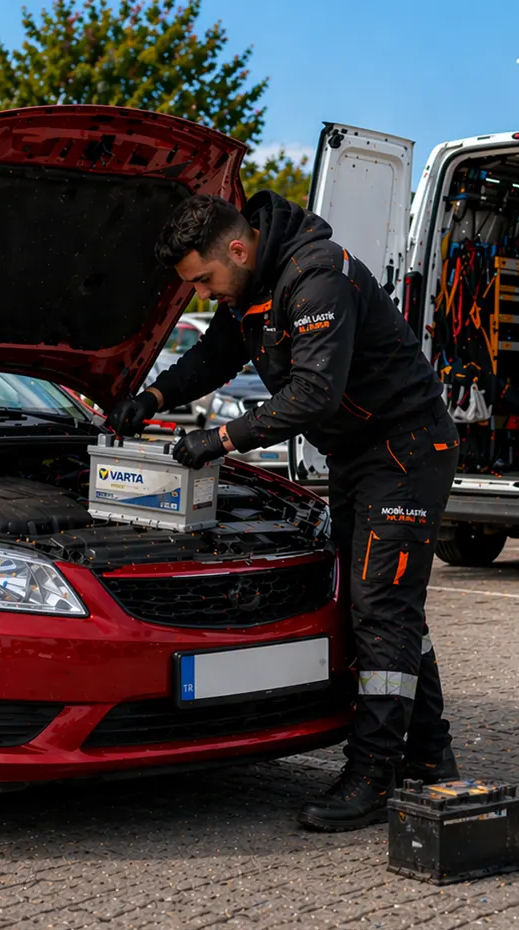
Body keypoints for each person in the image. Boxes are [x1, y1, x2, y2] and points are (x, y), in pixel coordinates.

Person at [109, 190, 462, 831]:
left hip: (406, 453)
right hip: (364, 457)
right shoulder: (256, 284)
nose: (203, 294)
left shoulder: (315, 274)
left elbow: (314, 395)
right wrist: (154, 394)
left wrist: (218, 440)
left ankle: (374, 774)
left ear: (238, 249)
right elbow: (217, 354)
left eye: (205, 279)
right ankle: (430, 758)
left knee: (381, 609)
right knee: (382, 606)